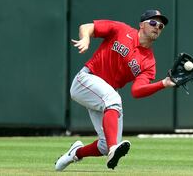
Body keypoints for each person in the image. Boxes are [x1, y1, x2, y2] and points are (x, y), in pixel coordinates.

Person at [55, 9, 175, 171]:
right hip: (86, 80)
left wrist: (164, 83)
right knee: (113, 103)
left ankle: (75, 153)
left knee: (104, 144)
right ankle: (114, 150)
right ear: (141, 25)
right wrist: (85, 38)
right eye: (153, 22)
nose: (157, 27)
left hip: (105, 95)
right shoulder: (122, 30)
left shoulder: (149, 62)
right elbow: (87, 27)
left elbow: (137, 91)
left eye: (161, 26)